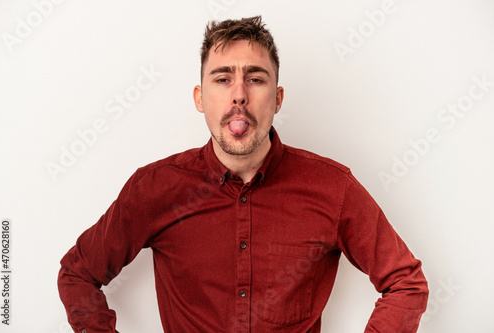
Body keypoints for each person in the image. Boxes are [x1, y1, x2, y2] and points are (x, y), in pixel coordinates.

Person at [58, 15, 428, 333]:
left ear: (278, 97)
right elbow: (78, 274)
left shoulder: (333, 188)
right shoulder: (155, 189)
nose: (239, 95)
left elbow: (406, 283)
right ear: (200, 97)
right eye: (222, 79)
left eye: (255, 79)